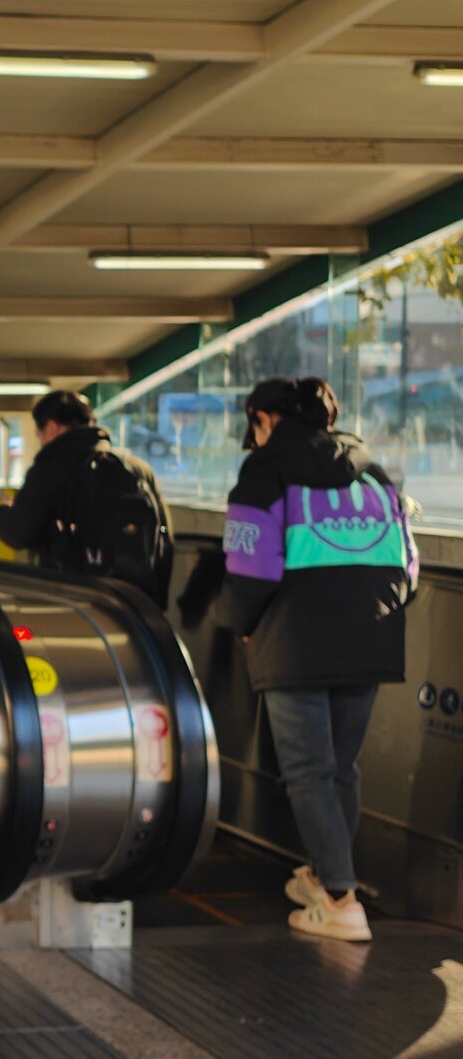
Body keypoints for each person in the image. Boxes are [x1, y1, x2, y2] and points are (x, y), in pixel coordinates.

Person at [216, 377, 416, 943]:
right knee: (338, 769)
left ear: (263, 419)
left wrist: (243, 626)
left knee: (307, 772)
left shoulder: (263, 472)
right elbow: (409, 560)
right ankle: (324, 876)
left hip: (295, 640)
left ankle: (339, 900)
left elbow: (249, 564)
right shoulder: (373, 471)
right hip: (371, 636)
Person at [0, 390, 173, 605]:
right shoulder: (136, 468)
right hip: (132, 602)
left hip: (73, 601)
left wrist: (5, 511)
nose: (40, 441)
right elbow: (165, 537)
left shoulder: (51, 469)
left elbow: (17, 534)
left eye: (39, 434)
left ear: (51, 427)